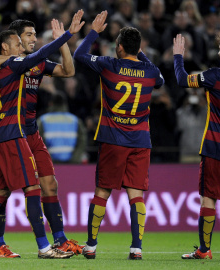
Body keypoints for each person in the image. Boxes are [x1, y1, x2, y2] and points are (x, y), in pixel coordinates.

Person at [0, 9, 84, 259]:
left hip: (28, 132)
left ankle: (59, 240)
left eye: (35, 34)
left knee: (40, 186)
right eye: (28, 35)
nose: (34, 39)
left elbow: (68, 72)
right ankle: (29, 246)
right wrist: (66, 36)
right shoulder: (11, 63)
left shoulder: (33, 64)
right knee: (26, 188)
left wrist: (64, 43)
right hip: (12, 132)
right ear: (15, 40)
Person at [73, 11, 165, 260]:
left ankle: (91, 246)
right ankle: (136, 248)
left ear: (120, 47)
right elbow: (161, 80)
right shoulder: (151, 71)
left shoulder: (109, 64)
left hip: (113, 139)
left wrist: (93, 32)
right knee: (136, 194)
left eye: (117, 45)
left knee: (102, 191)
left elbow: (79, 55)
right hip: (140, 141)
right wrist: (140, 53)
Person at [173, 32, 220, 259]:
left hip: (218, 148)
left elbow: (183, 80)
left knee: (208, 198)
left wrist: (177, 57)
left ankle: (204, 250)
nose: (219, 52)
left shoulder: (216, 76)